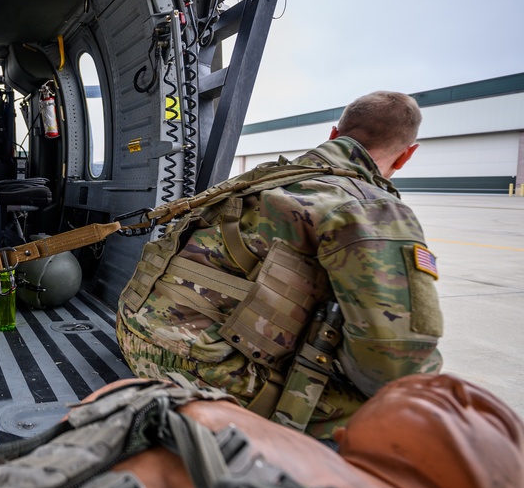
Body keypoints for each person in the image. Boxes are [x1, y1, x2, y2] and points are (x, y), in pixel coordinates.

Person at [116, 90, 443, 439]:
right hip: (205, 376)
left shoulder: (262, 179)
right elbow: (394, 364)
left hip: (135, 340)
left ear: (334, 135)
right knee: (415, 412)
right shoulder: (368, 208)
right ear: (407, 156)